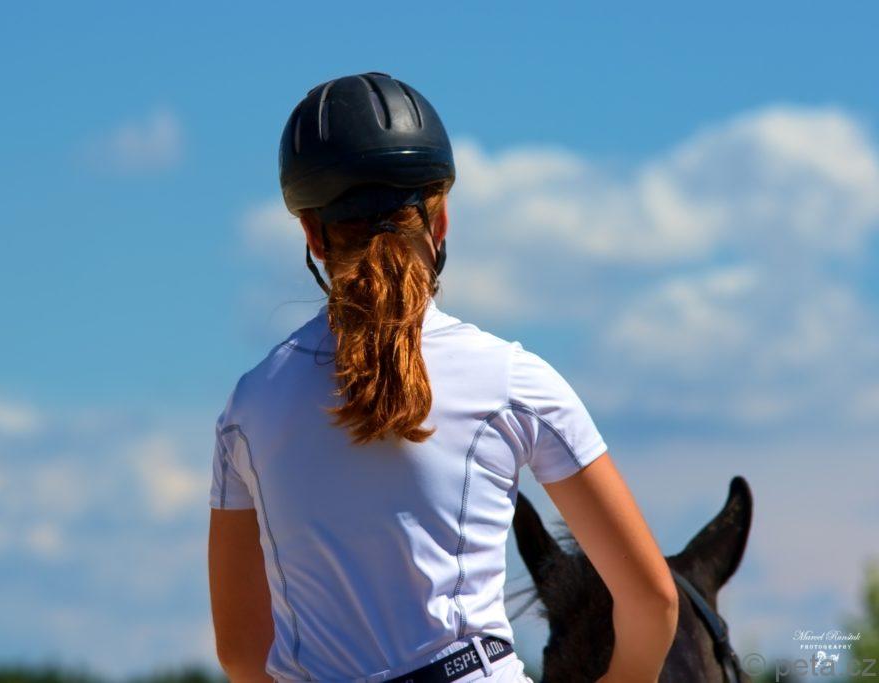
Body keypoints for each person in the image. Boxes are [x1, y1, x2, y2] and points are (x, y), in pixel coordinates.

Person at [207, 72, 678, 683]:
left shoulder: (250, 407)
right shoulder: (513, 380)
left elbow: (242, 651)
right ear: (441, 219)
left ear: (313, 236)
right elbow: (653, 602)